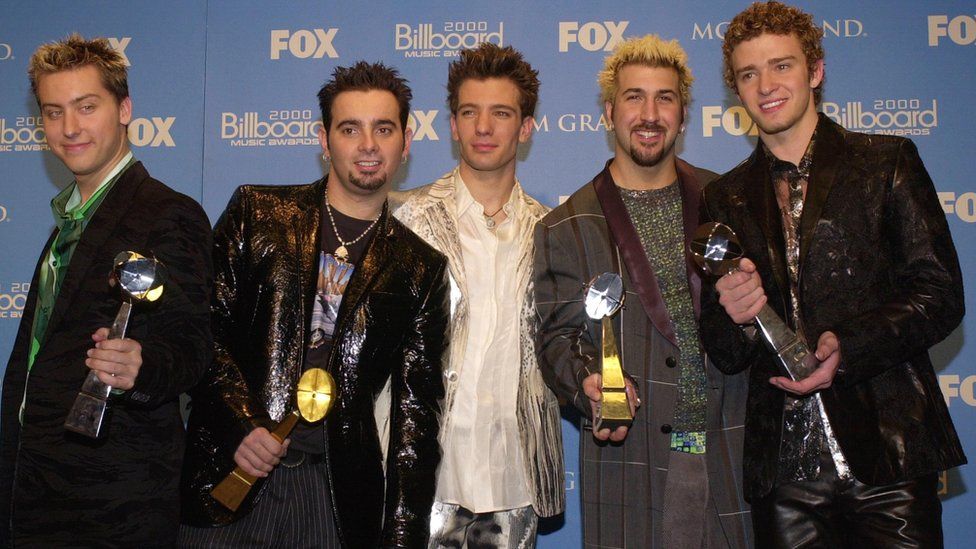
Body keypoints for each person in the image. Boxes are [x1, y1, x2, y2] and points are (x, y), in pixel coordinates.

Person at [700, 2, 966, 546]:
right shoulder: (722, 196)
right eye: (749, 73)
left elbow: (940, 293)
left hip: (889, 452)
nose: (766, 85)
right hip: (784, 473)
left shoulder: (886, 161)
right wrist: (740, 316)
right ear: (736, 89)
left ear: (815, 71)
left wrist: (849, 346)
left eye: (782, 65)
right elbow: (725, 349)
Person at [179, 61, 451, 548]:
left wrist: (403, 538)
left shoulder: (420, 269)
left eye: (383, 129)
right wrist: (242, 423)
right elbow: (202, 329)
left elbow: (416, 419)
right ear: (324, 141)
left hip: (332, 500)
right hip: (229, 477)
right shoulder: (257, 213)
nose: (368, 145)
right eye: (350, 128)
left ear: (405, 143)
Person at [534, 35, 752, 548]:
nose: (649, 113)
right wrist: (588, 380)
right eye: (634, 97)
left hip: (729, 451)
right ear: (609, 113)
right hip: (631, 462)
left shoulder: (730, 200)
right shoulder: (565, 225)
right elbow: (556, 338)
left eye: (665, 98)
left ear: (683, 114)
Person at [0, 34, 212, 546]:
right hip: (33, 498)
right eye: (53, 112)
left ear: (124, 109)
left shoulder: (168, 213)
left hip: (112, 510)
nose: (69, 128)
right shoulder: (66, 224)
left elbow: (193, 345)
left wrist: (142, 367)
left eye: (86, 107)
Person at [392, 43, 564, 549]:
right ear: (452, 124)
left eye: (501, 113)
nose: (483, 127)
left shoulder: (552, 231)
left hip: (515, 480)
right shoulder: (408, 220)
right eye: (470, 113)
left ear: (526, 128)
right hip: (422, 471)